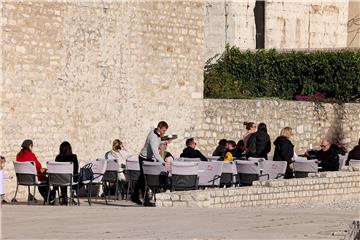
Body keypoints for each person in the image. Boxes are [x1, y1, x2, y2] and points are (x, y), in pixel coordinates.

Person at [131, 121, 169, 206]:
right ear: (159, 128)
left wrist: (165, 141)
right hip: (144, 158)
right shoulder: (153, 137)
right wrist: (163, 162)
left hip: (148, 158)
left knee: (142, 178)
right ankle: (146, 200)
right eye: (163, 130)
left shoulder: (155, 132)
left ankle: (135, 196)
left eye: (165, 131)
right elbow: (155, 152)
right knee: (146, 179)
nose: (164, 132)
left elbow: (158, 141)